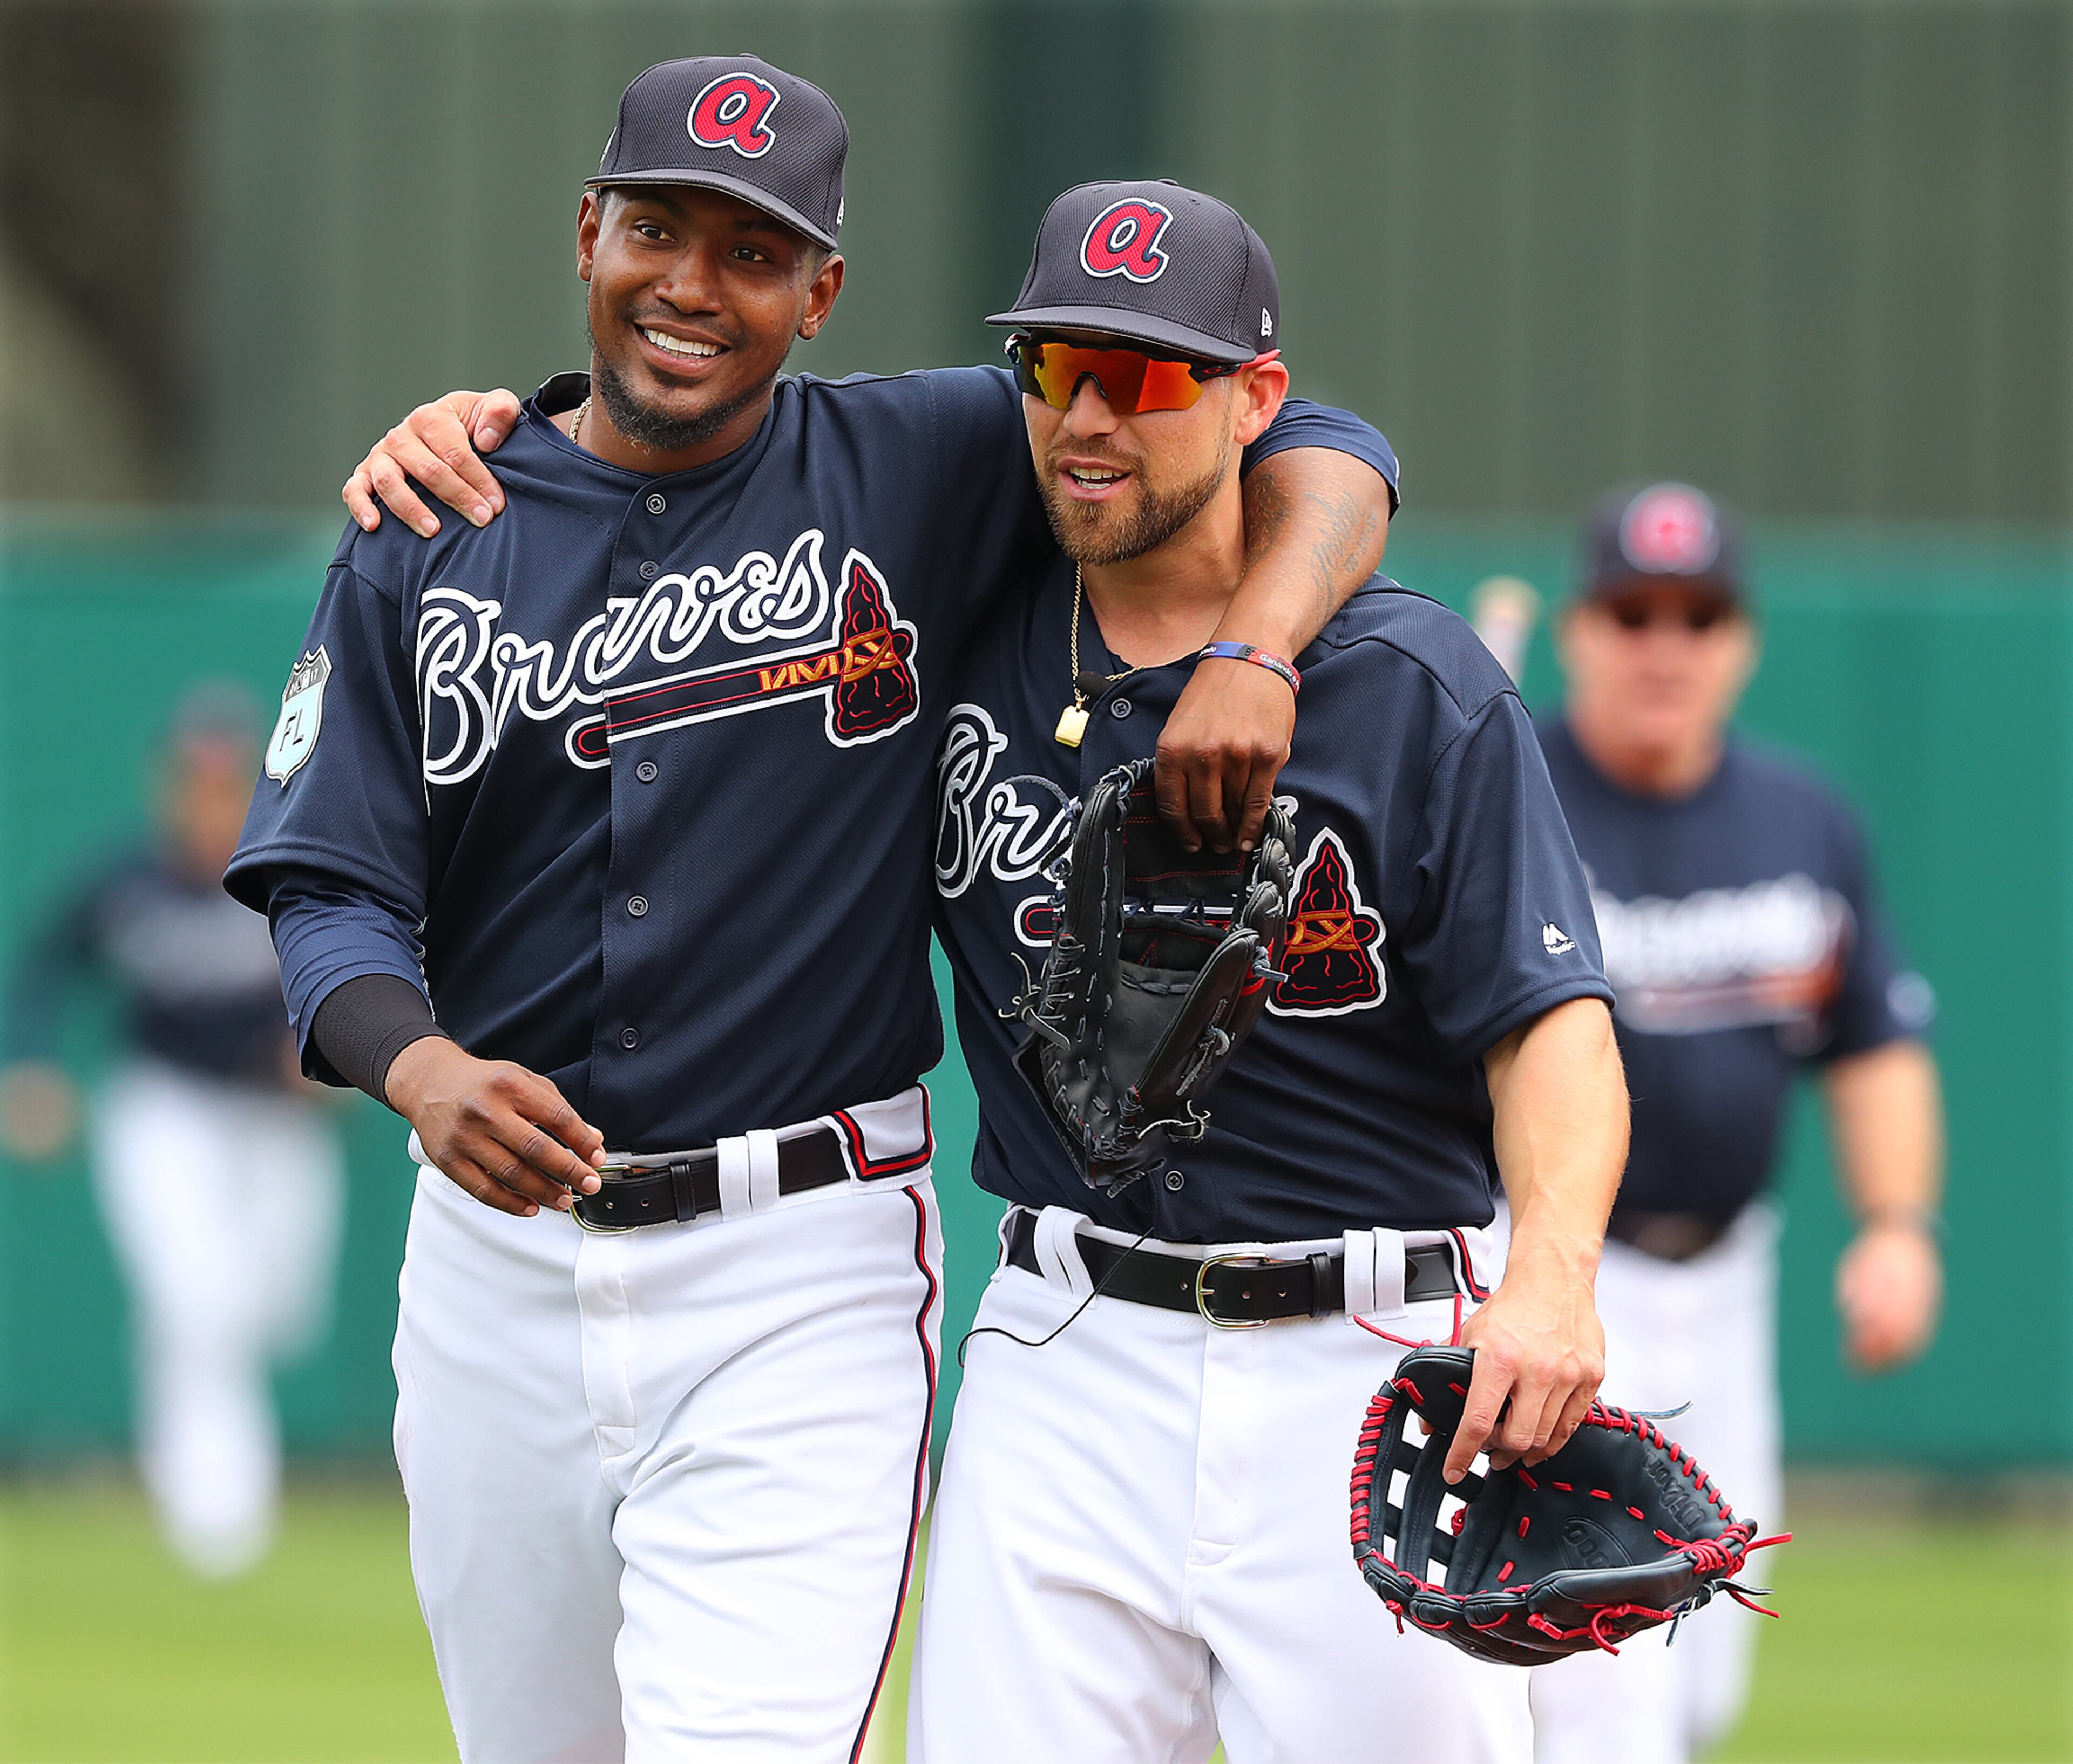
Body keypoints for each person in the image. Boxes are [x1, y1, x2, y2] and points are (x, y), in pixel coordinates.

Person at [238, 57, 1398, 1764]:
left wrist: (1258, 644)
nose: (695, 287)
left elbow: (1321, 439)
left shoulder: (923, 460)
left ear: (820, 290)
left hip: (800, 1270)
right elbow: (325, 884)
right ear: (587, 233)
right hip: (493, 1277)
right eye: (659, 229)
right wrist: (417, 1069)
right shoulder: (432, 518)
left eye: (755, 252)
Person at [910, 181, 1630, 1763]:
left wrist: (1557, 1276)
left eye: (1150, 375)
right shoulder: (961, 635)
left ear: (1255, 398)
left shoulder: (1412, 684)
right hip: (1064, 1350)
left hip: (1362, 1359)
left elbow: (1553, 1026)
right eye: (1053, 369)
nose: (1089, 415)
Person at [1522, 481, 1945, 1764]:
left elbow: (1873, 1040)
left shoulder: (1803, 818)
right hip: (1561, 1282)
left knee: (1700, 1681)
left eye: (1698, 614)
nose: (1666, 643)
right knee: (1607, 1695)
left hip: (1728, 1281)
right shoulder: (1513, 797)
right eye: (1633, 610)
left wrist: (1898, 1225)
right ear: (1578, 629)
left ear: (1741, 640)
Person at [0, 684, 343, 1578]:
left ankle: (209, 1485)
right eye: (197, 784)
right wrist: (30, 1066)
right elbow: (41, 969)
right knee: (197, 1303)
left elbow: (362, 969)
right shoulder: (126, 883)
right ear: (169, 788)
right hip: (164, 1109)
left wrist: (333, 1054)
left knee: (276, 1312)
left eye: (228, 784)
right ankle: (216, 1517)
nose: (211, 801)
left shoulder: (290, 874)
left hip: (275, 1124)